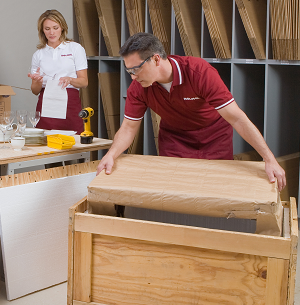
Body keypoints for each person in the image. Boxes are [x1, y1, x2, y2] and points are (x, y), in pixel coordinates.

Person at [97, 32, 287, 191]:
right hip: (175, 138)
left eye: (136, 69)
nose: (133, 77)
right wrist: (111, 155)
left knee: (215, 190)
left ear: (155, 59)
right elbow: (128, 127)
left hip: (214, 136)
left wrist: (268, 159)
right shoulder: (138, 88)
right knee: (176, 190)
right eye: (129, 71)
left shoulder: (199, 72)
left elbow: (237, 118)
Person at [28, 9, 88, 134]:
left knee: (74, 141)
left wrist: (70, 79)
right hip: (46, 105)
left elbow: (84, 82)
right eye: (47, 29)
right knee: (44, 141)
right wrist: (37, 81)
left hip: (70, 104)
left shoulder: (75, 48)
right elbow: (35, 91)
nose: (52, 32)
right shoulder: (38, 54)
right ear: (42, 31)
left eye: (55, 28)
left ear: (62, 28)